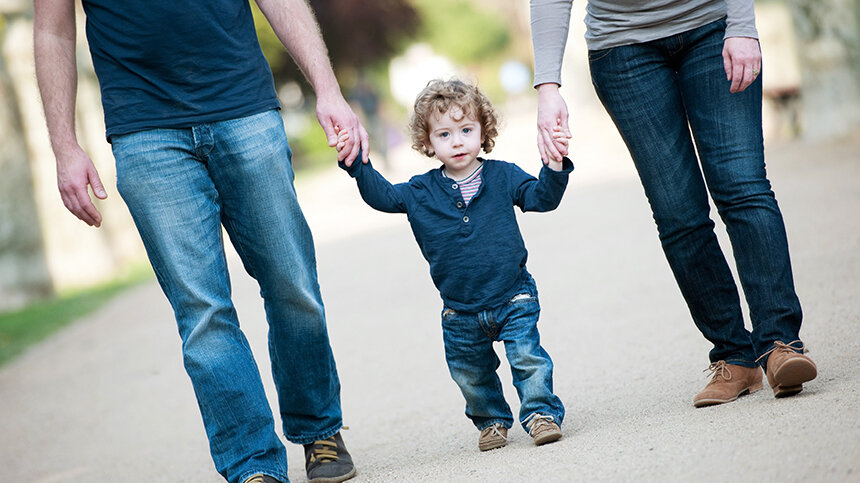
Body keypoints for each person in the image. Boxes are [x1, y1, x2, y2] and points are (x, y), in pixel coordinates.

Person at [33, 1, 369, 482]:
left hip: (245, 109)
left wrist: (329, 90)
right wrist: (63, 144)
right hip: (143, 131)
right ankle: (253, 464)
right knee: (202, 312)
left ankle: (318, 428)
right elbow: (52, 30)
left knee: (292, 281)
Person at [529, 0, 817, 407]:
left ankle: (780, 343)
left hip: (712, 26)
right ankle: (734, 356)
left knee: (742, 187)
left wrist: (741, 24)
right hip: (622, 49)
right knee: (677, 213)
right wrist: (548, 86)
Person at [337, 79, 570, 451]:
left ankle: (541, 413)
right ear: (428, 143)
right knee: (470, 373)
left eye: (466, 130)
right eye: (444, 134)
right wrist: (357, 164)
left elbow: (542, 198)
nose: (457, 141)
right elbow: (382, 196)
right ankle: (491, 420)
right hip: (459, 309)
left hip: (512, 294)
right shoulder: (419, 191)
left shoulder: (503, 175)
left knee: (527, 358)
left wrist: (554, 167)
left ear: (483, 131)